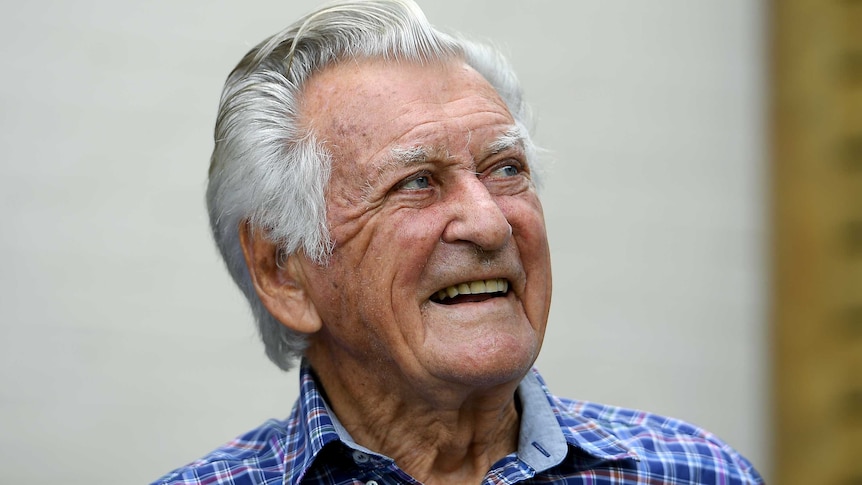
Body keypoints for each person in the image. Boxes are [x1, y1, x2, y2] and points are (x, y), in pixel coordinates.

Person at [154, 1, 764, 483]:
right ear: (283, 272)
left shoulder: (694, 472)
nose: (491, 223)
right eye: (417, 182)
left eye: (505, 170)